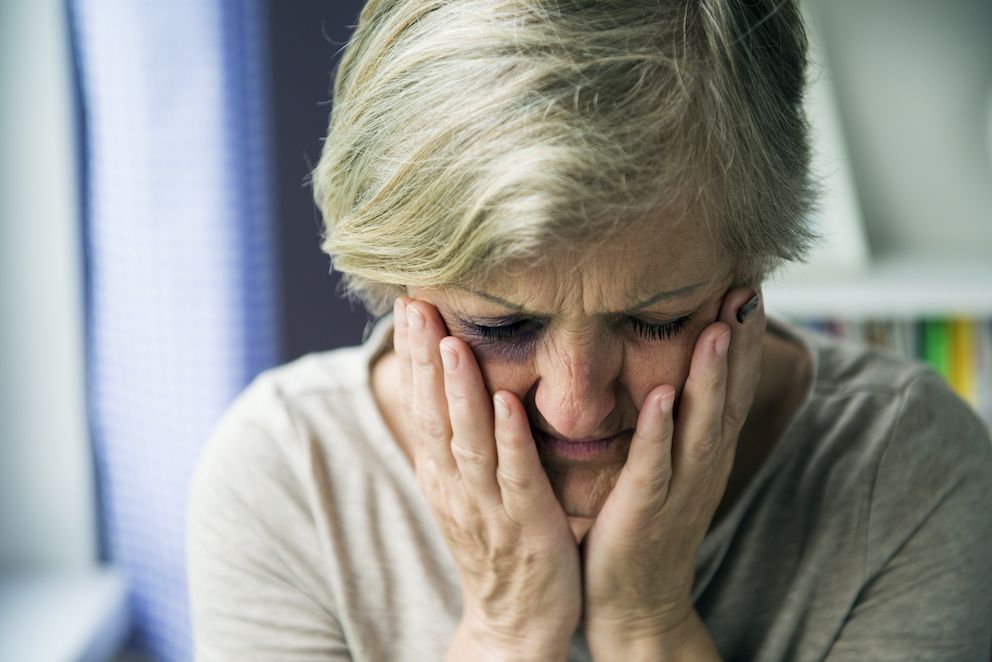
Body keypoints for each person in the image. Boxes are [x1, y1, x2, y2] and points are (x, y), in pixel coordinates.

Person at [187, 1, 992, 660]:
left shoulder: (911, 471)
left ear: (752, 272)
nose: (577, 409)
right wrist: (508, 629)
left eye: (656, 319)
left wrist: (648, 626)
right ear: (397, 283)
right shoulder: (286, 480)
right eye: (497, 324)